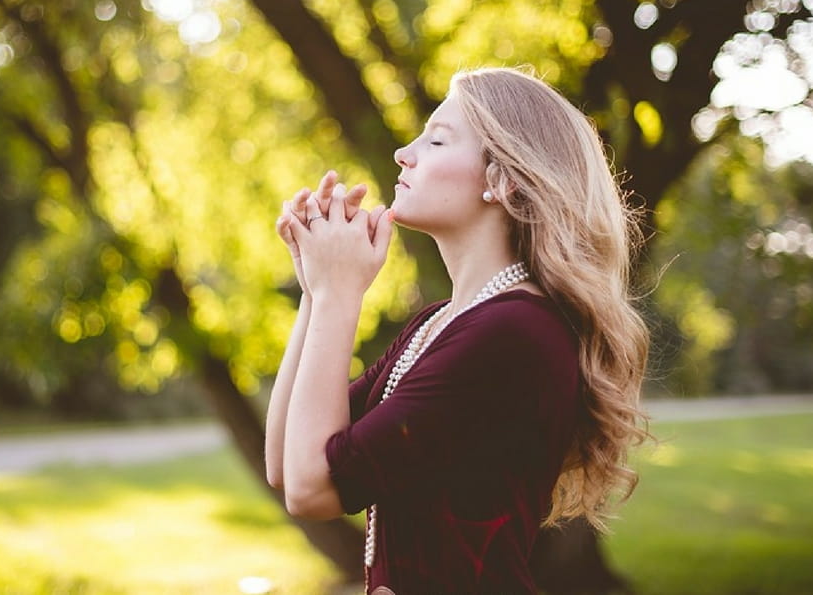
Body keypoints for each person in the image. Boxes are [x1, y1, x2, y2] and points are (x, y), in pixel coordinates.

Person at [265, 67, 649, 594]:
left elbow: (314, 490)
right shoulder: (441, 322)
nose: (404, 153)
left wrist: (339, 294)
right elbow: (286, 464)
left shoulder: (513, 333)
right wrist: (316, 290)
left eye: (437, 140)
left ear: (503, 180)